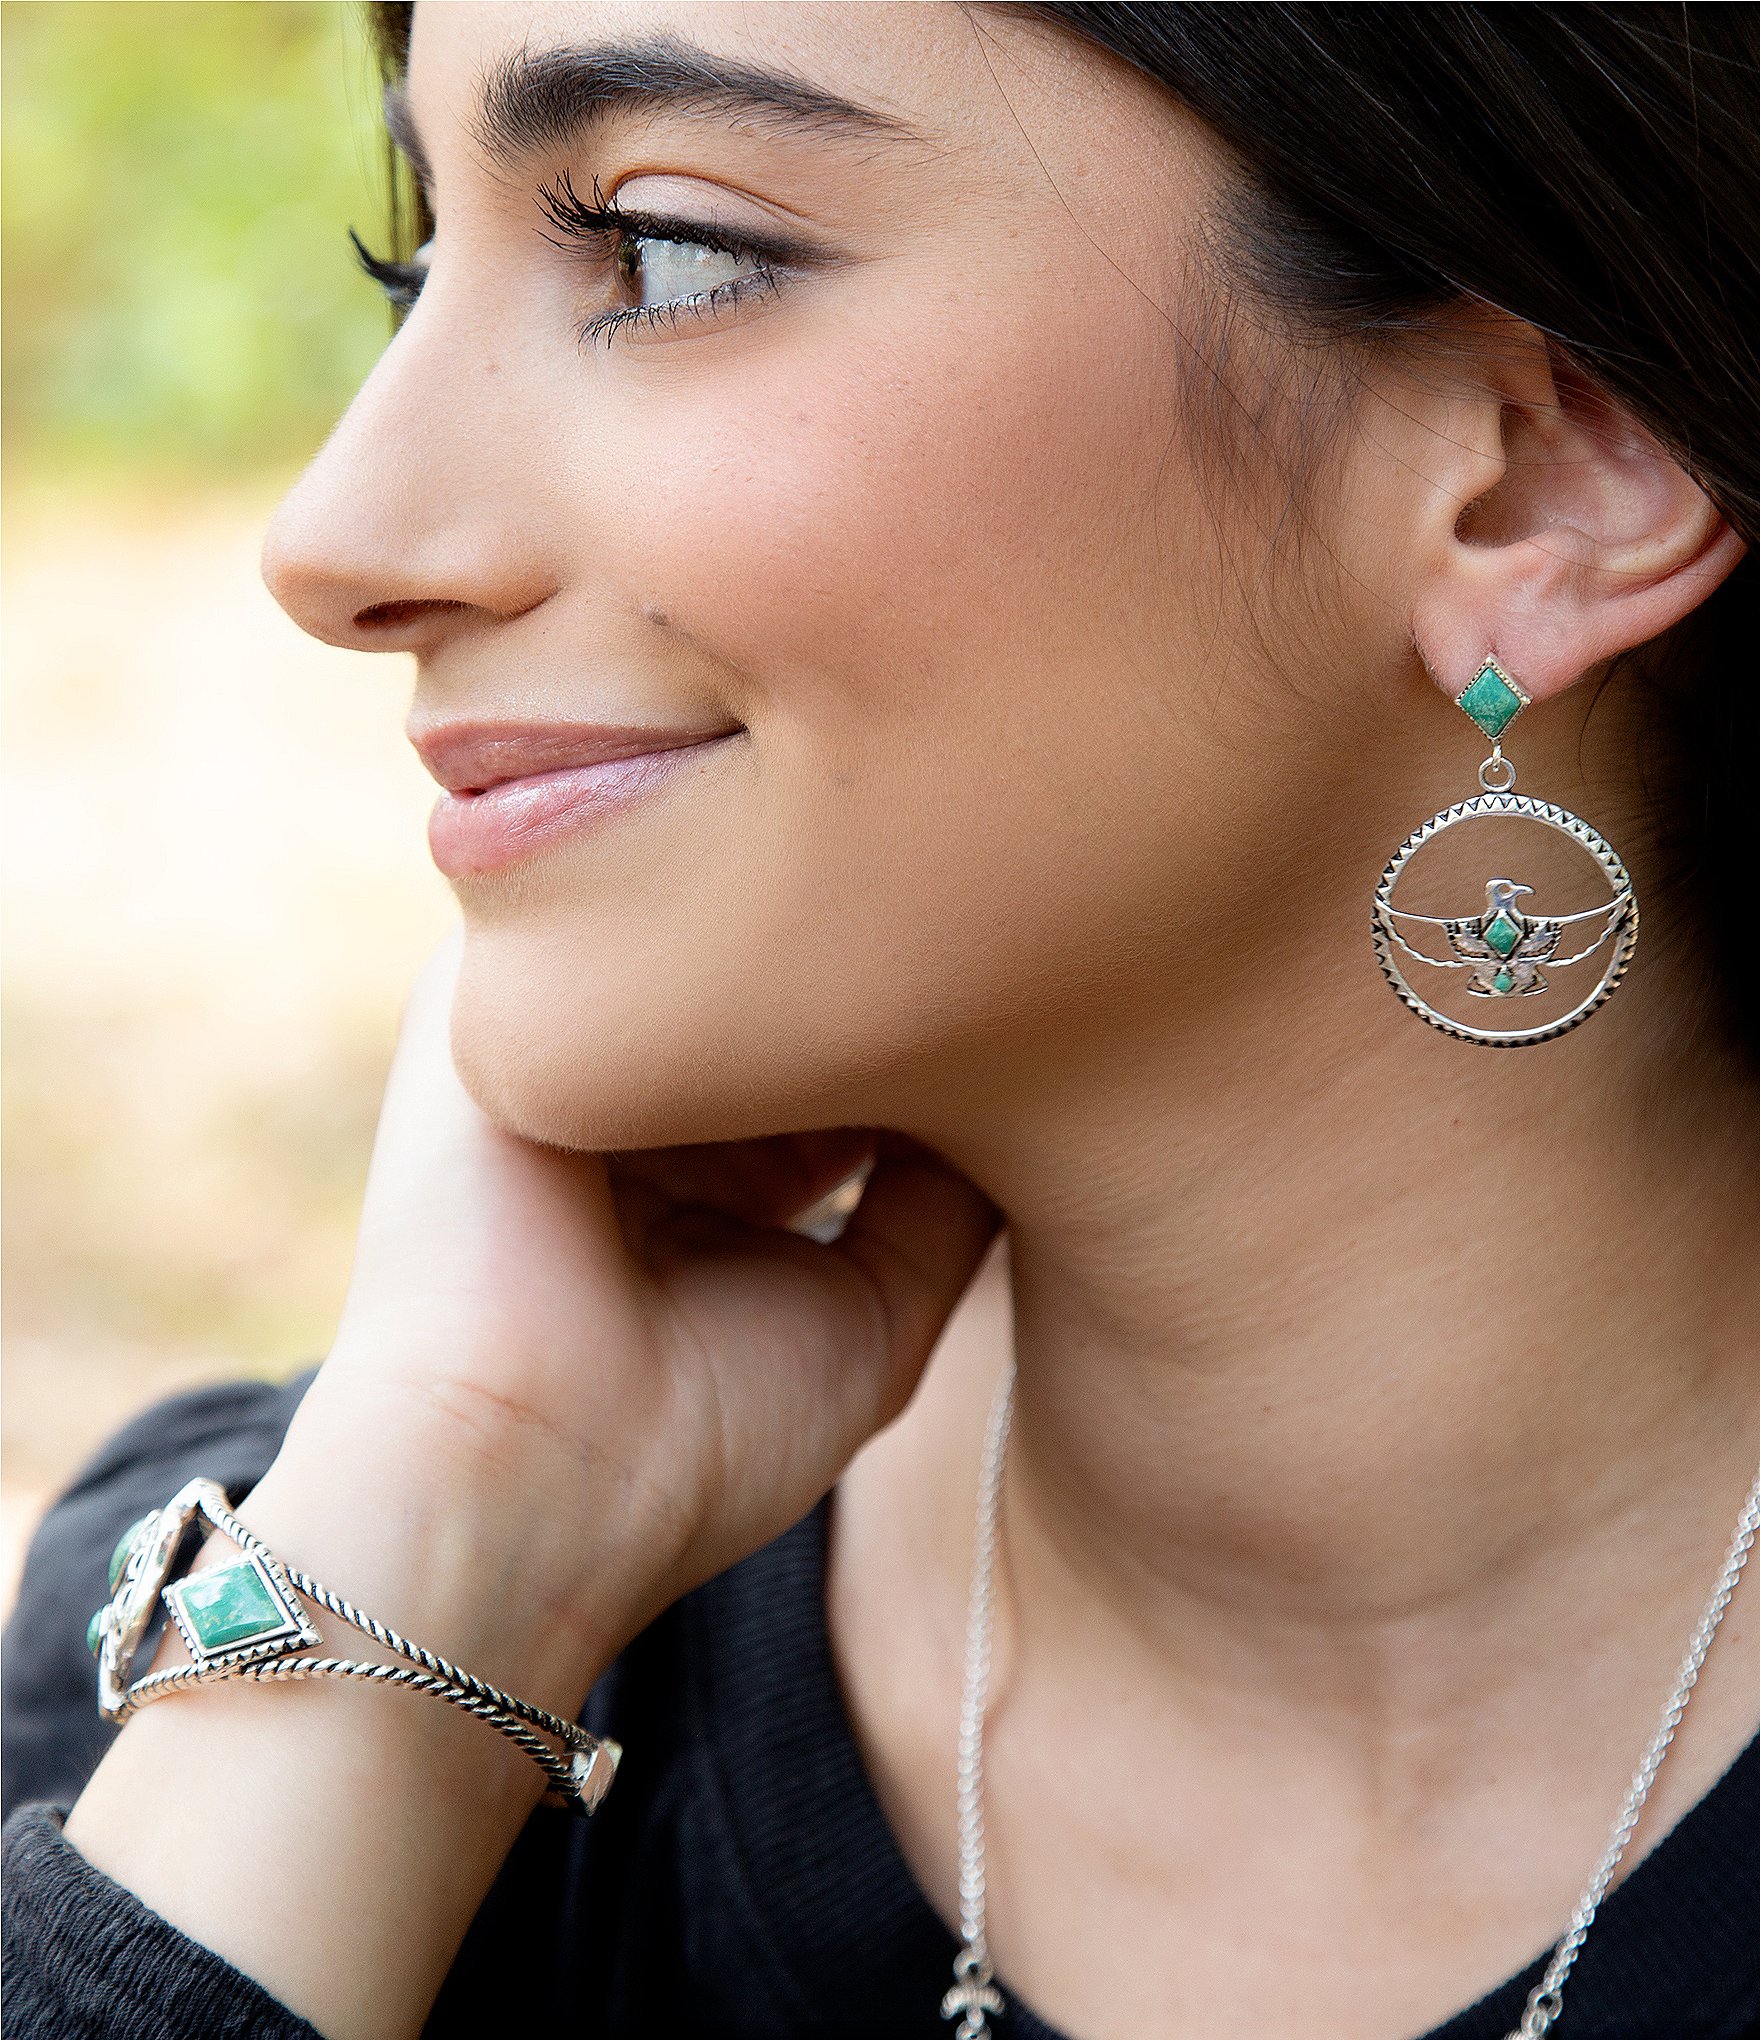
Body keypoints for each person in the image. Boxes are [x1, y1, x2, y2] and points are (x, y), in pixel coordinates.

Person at [5, 5, 1759, 2037]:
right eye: (414, 263)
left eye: (659, 253)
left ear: (1537, 476)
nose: (336, 541)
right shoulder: (245, 1671)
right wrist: (424, 1587)